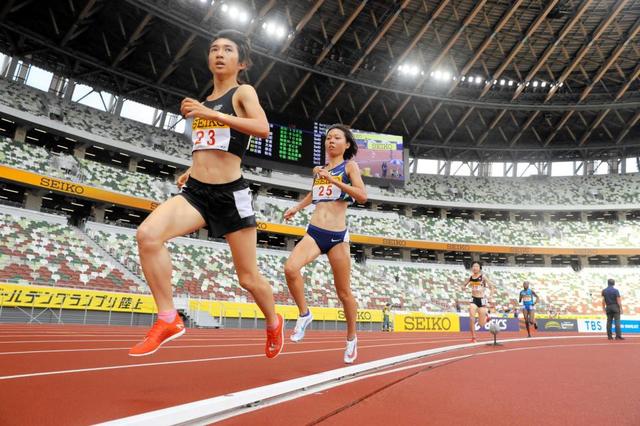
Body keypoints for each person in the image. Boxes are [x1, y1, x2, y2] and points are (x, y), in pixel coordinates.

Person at [129, 30, 284, 358]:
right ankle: (168, 318)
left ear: (241, 62)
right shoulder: (206, 100)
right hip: (197, 192)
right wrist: (192, 167)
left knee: (248, 277)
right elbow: (211, 144)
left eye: (228, 50)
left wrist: (211, 114)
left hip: (231, 195)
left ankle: (273, 321)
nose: (219, 53)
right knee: (147, 235)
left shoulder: (243, 92)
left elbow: (262, 128)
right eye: (214, 49)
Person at [283, 124, 367, 363]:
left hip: (337, 237)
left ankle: (351, 338)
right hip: (314, 232)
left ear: (346, 144)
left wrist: (335, 180)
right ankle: (304, 313)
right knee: (290, 269)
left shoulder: (350, 166)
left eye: (337, 138)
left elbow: (362, 195)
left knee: (343, 292)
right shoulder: (319, 170)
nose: (331, 141)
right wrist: (296, 208)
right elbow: (315, 194)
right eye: (328, 138)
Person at [463, 261, 495, 343]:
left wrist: (490, 296)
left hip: (482, 300)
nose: (475, 268)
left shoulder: (483, 277)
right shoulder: (470, 277)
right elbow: (463, 285)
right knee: (471, 318)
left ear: (480, 268)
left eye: (476, 266)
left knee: (481, 325)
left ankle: (487, 317)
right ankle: (474, 337)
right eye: (473, 266)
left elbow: (492, 286)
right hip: (473, 299)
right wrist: (463, 287)